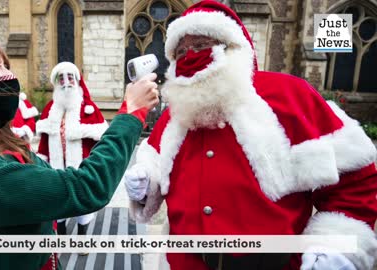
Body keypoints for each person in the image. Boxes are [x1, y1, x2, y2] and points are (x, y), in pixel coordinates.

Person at [124, 1, 377, 270]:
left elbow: (356, 180)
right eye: (181, 50)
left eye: (200, 45)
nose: (190, 56)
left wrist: (334, 248)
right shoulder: (176, 114)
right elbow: (155, 163)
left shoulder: (291, 96)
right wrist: (145, 183)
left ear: (232, 45)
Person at [0, 31, 159, 270]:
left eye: (5, 66)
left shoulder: (5, 146)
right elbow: (85, 188)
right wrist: (131, 113)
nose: (9, 76)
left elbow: (58, 184)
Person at [36, 62, 109, 238]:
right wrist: (41, 158)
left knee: (81, 199)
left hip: (81, 165)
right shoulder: (50, 109)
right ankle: (60, 232)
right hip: (56, 165)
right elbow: (45, 139)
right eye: (61, 79)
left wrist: (94, 164)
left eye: (70, 78)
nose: (66, 83)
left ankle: (82, 234)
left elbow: (100, 138)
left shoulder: (88, 109)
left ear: (77, 81)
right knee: (58, 199)